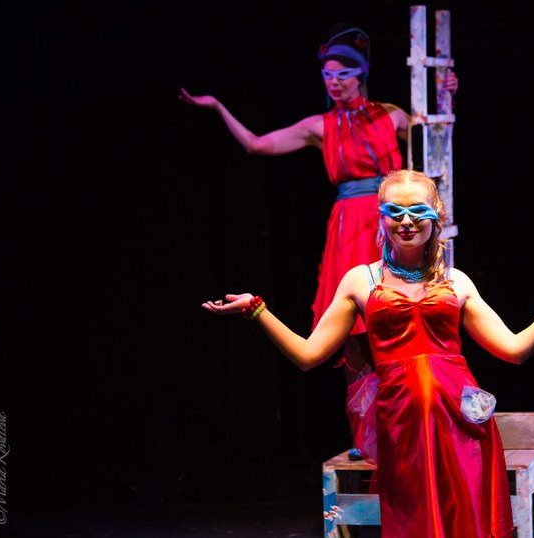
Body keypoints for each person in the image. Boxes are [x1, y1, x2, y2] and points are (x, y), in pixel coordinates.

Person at [202, 169, 534, 537]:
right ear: (381, 217)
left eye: (417, 210)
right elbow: (309, 355)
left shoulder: (457, 282)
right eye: (395, 211)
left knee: (465, 525)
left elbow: (515, 350)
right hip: (402, 425)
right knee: (413, 524)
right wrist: (257, 310)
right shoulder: (360, 281)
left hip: (462, 425)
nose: (406, 221)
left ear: (436, 214)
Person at [181, 24, 458, 459]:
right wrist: (217, 107)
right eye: (327, 75)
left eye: (343, 73)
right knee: (353, 335)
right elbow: (256, 145)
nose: (334, 82)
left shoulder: (390, 116)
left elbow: (436, 144)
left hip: (391, 218)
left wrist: (447, 98)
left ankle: (419, 420)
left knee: (407, 316)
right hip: (348, 228)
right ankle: (367, 436)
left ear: (361, 74)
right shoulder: (321, 126)